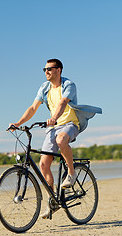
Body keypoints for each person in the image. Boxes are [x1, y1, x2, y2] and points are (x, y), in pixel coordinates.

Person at [9, 58, 102, 219]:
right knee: (43, 164)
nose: (46, 72)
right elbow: (33, 108)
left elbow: (63, 103)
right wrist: (18, 123)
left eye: (49, 69)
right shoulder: (44, 88)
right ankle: (52, 199)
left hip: (70, 124)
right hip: (53, 127)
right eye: (44, 69)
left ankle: (71, 173)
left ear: (58, 70)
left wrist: (54, 118)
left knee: (61, 140)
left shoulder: (69, 85)